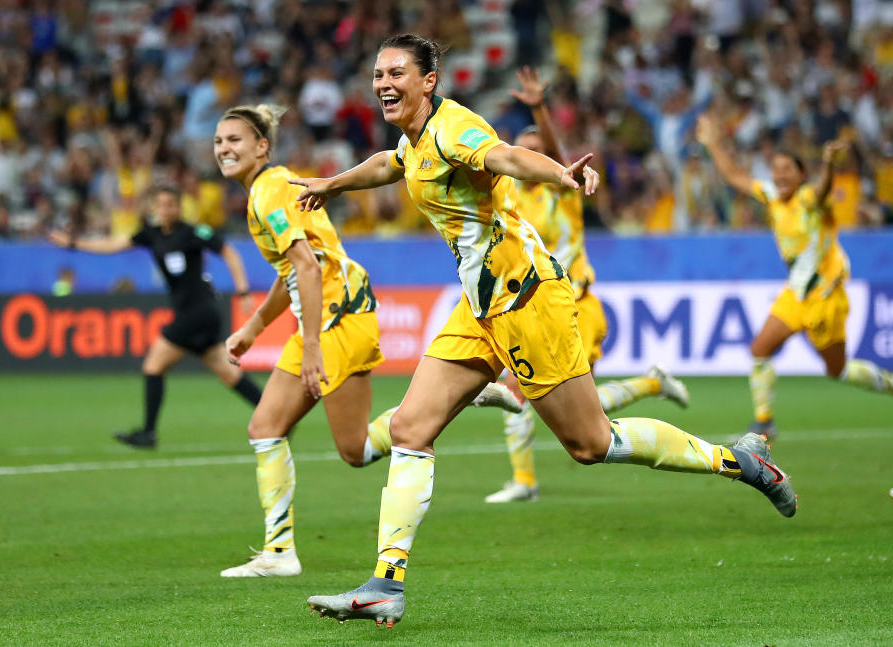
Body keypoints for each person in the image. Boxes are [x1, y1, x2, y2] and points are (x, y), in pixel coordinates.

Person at [291, 34, 796, 628]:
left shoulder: (455, 129)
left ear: (429, 80)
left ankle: (739, 460)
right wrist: (332, 184)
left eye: (396, 72)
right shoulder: (416, 140)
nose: (383, 83)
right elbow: (389, 164)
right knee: (409, 426)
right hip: (480, 308)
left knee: (592, 445)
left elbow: (506, 156)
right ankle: (386, 583)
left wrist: (559, 173)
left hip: (528, 300)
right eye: (378, 74)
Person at [212, 104, 520, 579]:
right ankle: (278, 553)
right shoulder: (270, 188)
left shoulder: (267, 194)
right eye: (218, 142)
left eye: (234, 140)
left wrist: (311, 345)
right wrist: (255, 328)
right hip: (329, 316)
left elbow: (309, 268)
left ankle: (460, 391)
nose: (224, 149)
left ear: (261, 147)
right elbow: (294, 268)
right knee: (271, 429)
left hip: (338, 318)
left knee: (348, 449)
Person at [486, 67, 691, 504]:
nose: (530, 158)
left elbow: (559, 154)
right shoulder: (506, 195)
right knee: (583, 410)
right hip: (533, 307)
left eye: (537, 151)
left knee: (526, 390)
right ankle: (651, 383)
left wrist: (539, 109)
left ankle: (524, 482)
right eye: (523, 152)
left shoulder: (560, 188)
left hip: (577, 303)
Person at [696, 117, 893, 440]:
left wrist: (828, 165)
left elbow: (823, 190)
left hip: (825, 295)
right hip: (796, 294)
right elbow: (734, 176)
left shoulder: (809, 200)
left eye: (788, 169)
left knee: (837, 370)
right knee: (760, 350)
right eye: (776, 168)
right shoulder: (772, 196)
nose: (780, 174)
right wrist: (712, 143)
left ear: (801, 174)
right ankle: (764, 422)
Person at [49, 185, 263, 449]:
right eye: (161, 205)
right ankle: (276, 414)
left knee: (153, 366)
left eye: (170, 204)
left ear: (178, 207)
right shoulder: (151, 234)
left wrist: (242, 290)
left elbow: (229, 252)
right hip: (192, 313)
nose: (166, 210)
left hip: (200, 311)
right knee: (229, 375)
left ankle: (148, 433)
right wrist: (74, 244)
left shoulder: (194, 232)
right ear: (154, 208)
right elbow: (114, 244)